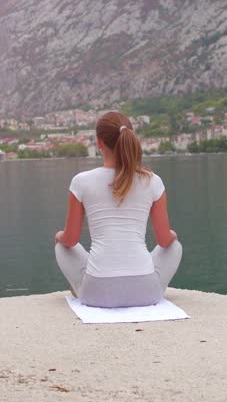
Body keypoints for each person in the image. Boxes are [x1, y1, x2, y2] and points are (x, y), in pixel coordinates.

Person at [54, 111, 182, 308]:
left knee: (61, 246)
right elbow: (164, 241)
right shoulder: (152, 181)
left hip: (97, 295)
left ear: (99, 143)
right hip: (147, 293)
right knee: (175, 246)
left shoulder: (81, 182)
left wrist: (59, 236)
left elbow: (70, 240)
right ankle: (145, 288)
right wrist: (173, 234)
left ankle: (81, 289)